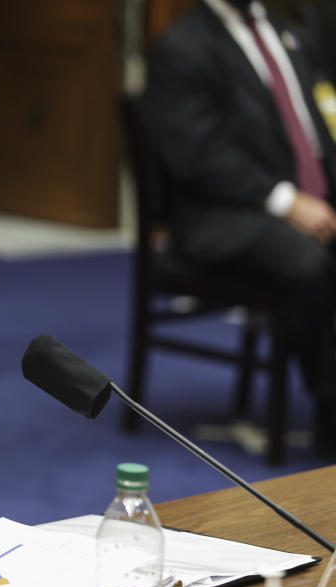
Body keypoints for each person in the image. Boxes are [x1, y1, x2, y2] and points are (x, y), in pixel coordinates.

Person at [138, 0, 336, 456]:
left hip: (309, 203)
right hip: (223, 217)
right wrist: (287, 202)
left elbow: (319, 131)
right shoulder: (181, 47)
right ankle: (331, 412)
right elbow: (197, 155)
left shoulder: (294, 34)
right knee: (309, 266)